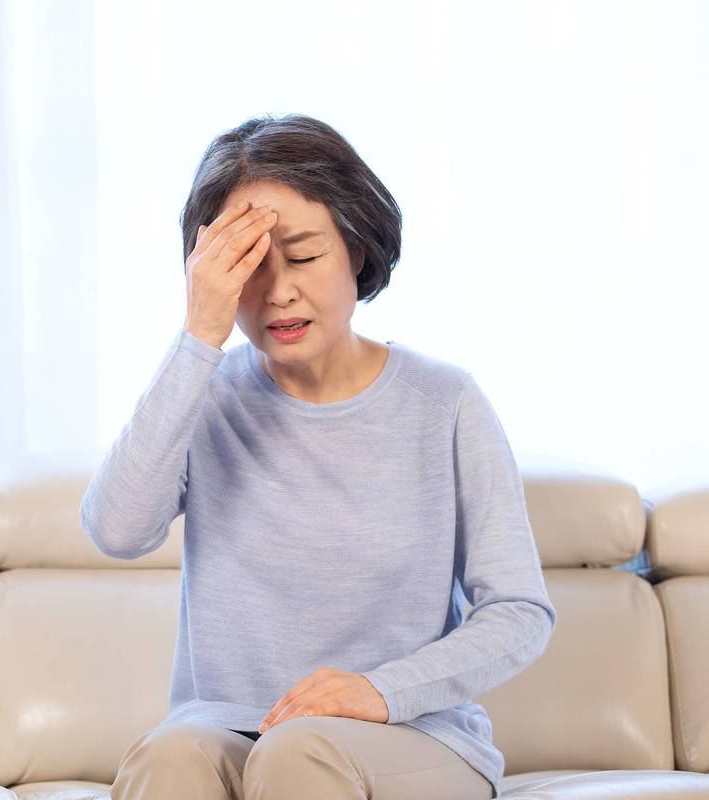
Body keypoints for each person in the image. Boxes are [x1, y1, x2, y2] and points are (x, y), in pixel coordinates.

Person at [79, 113, 556, 800]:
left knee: (299, 754)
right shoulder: (202, 397)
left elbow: (518, 611)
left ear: (356, 251)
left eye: (302, 258)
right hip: (230, 727)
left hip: (410, 734)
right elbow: (117, 530)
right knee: (170, 757)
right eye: (248, 266)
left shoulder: (444, 402)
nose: (278, 293)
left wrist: (378, 690)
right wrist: (199, 335)